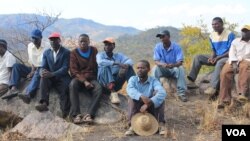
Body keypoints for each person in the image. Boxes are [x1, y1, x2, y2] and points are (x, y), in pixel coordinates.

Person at [187, 17, 235, 95]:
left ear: (222, 24)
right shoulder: (212, 35)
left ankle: (213, 87)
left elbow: (231, 51)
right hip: (217, 57)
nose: (214, 26)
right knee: (198, 57)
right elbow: (213, 50)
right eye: (213, 24)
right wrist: (212, 57)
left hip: (227, 57)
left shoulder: (230, 34)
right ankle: (191, 81)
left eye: (216, 24)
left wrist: (218, 58)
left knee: (219, 62)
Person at [125, 60, 167, 136]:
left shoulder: (154, 80)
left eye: (142, 68)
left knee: (160, 97)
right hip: (138, 108)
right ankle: (132, 125)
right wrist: (141, 96)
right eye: (138, 68)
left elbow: (162, 92)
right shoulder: (133, 79)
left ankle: (161, 124)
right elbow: (130, 89)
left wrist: (148, 103)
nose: (139, 70)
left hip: (151, 107)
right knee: (132, 98)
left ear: (148, 69)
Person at [6, 29, 48, 103]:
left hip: (43, 69)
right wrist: (32, 71)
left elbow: (46, 63)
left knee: (39, 71)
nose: (34, 40)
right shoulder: (30, 46)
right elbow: (32, 61)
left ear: (41, 38)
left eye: (36, 38)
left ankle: (28, 94)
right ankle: (13, 88)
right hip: (34, 68)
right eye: (32, 38)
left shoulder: (47, 47)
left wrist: (34, 72)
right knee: (16, 66)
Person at [35, 32, 71, 118]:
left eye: (55, 39)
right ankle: (44, 103)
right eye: (51, 40)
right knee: (43, 78)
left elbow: (65, 68)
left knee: (64, 91)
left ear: (59, 40)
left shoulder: (66, 52)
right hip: (50, 77)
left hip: (62, 77)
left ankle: (65, 113)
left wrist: (53, 74)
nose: (52, 42)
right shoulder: (46, 52)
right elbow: (43, 66)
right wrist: (42, 72)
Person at [69, 34, 102, 124]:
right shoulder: (74, 53)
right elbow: (74, 70)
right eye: (81, 41)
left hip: (92, 78)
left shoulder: (94, 50)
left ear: (89, 42)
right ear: (78, 42)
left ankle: (89, 114)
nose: (83, 43)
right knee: (72, 85)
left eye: (85, 41)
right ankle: (76, 114)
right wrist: (84, 81)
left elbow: (97, 66)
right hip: (79, 79)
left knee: (98, 88)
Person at [218, 25, 250, 108]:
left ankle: (242, 93)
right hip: (233, 60)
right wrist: (234, 62)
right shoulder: (236, 41)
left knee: (244, 68)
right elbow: (231, 52)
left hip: (246, 61)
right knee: (224, 73)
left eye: (247, 31)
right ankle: (224, 100)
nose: (244, 33)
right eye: (243, 31)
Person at [97, 37, 135, 104]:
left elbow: (130, 61)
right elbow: (100, 62)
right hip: (104, 85)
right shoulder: (100, 55)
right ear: (104, 47)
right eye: (106, 45)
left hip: (116, 83)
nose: (107, 46)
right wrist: (116, 63)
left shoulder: (119, 55)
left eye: (109, 45)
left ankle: (134, 90)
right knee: (104, 66)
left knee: (129, 67)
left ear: (114, 46)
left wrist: (125, 66)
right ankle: (113, 93)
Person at [153, 30, 188, 102]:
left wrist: (173, 65)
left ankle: (181, 93)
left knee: (180, 68)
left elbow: (180, 62)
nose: (161, 39)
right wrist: (162, 64)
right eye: (160, 37)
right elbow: (156, 61)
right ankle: (156, 91)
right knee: (155, 68)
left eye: (163, 36)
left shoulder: (176, 47)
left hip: (174, 69)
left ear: (168, 37)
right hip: (163, 68)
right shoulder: (158, 47)